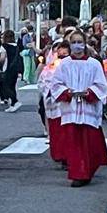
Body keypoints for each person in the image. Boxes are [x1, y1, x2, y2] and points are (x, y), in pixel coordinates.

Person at [50, 31, 107, 187]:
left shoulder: (94, 64)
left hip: (88, 109)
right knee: (74, 144)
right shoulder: (64, 64)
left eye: (79, 41)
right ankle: (78, 174)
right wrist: (67, 93)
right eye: (74, 42)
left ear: (84, 44)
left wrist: (89, 93)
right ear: (70, 44)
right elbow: (55, 84)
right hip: (71, 109)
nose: (77, 45)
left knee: (90, 143)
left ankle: (88, 170)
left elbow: (102, 86)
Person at [39, 39, 71, 167]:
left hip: (68, 104)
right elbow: (42, 82)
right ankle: (60, 156)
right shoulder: (49, 68)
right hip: (54, 103)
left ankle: (68, 156)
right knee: (57, 131)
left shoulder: (72, 65)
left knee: (67, 132)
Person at [0, 32, 23, 112]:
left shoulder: (4, 46)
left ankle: (15, 101)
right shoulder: (16, 46)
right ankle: (12, 105)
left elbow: (2, 58)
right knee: (12, 86)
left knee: (6, 87)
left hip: (7, 68)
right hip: (15, 68)